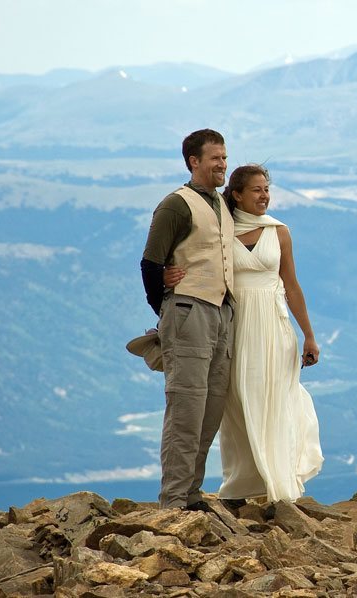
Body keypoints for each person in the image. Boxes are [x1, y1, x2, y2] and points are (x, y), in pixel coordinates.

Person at [165, 164, 322, 504]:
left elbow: (291, 285)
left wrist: (308, 334)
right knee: (236, 404)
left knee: (276, 401)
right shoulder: (221, 229)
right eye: (256, 190)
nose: (264, 195)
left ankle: (280, 489)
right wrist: (168, 276)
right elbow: (195, 264)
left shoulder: (279, 231)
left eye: (267, 189)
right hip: (234, 325)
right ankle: (240, 485)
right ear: (236, 195)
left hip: (274, 326)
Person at [141, 129, 235, 510]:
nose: (223, 164)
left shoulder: (221, 203)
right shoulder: (176, 205)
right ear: (194, 162)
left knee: (211, 407)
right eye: (215, 158)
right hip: (189, 311)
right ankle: (174, 499)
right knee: (186, 408)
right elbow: (151, 262)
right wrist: (165, 309)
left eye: (225, 158)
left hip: (220, 313)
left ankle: (192, 492)